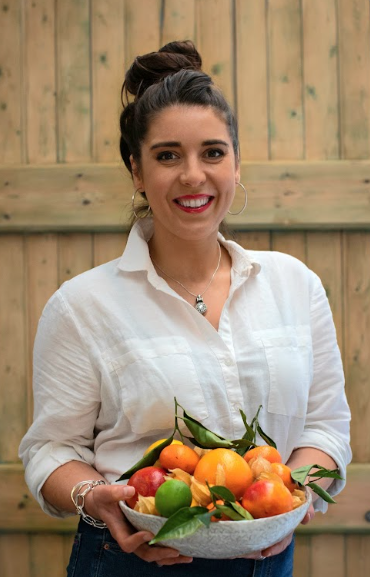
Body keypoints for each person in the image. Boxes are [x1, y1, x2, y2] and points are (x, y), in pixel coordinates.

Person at [19, 40, 351, 577]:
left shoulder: (295, 285)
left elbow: (326, 427)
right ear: (136, 171)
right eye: (167, 155)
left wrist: (292, 495)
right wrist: (96, 495)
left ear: (236, 164)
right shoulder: (82, 306)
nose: (193, 175)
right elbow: (51, 450)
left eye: (213, 153)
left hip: (268, 559)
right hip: (129, 560)